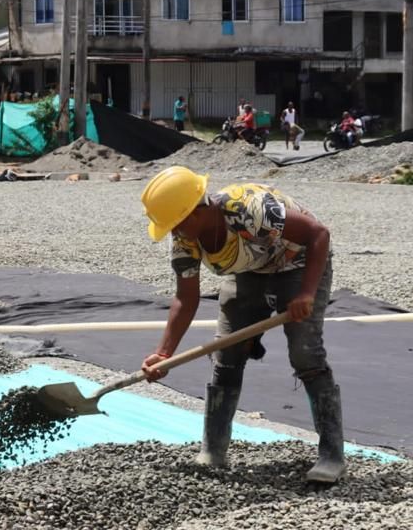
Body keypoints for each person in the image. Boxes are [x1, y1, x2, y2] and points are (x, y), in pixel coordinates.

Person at [139, 166, 345, 484]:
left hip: (299, 262)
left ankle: (331, 456)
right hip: (250, 268)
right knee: (228, 352)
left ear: (195, 213)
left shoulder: (251, 209)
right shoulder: (185, 241)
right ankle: (213, 452)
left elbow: (319, 233)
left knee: (305, 353)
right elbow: (186, 298)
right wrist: (164, 353)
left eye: (175, 225)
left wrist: (305, 292)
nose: (173, 233)